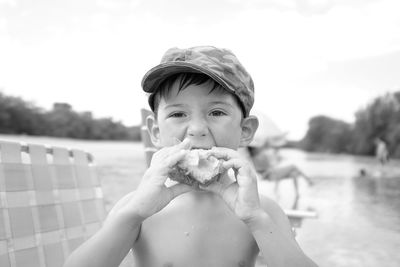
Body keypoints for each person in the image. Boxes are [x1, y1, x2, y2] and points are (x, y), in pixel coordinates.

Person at [64, 46, 317, 267]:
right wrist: (132, 216)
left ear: (245, 131)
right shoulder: (136, 208)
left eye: (217, 112)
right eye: (178, 114)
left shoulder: (262, 210)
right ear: (155, 131)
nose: (196, 128)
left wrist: (257, 221)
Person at [247, 145, 314, 201]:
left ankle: (297, 194)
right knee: (293, 166)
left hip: (272, 173)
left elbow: (266, 168)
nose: (258, 149)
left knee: (294, 174)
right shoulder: (257, 158)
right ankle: (308, 180)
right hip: (271, 175)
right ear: (253, 150)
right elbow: (261, 171)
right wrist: (267, 172)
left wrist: (274, 161)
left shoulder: (257, 157)